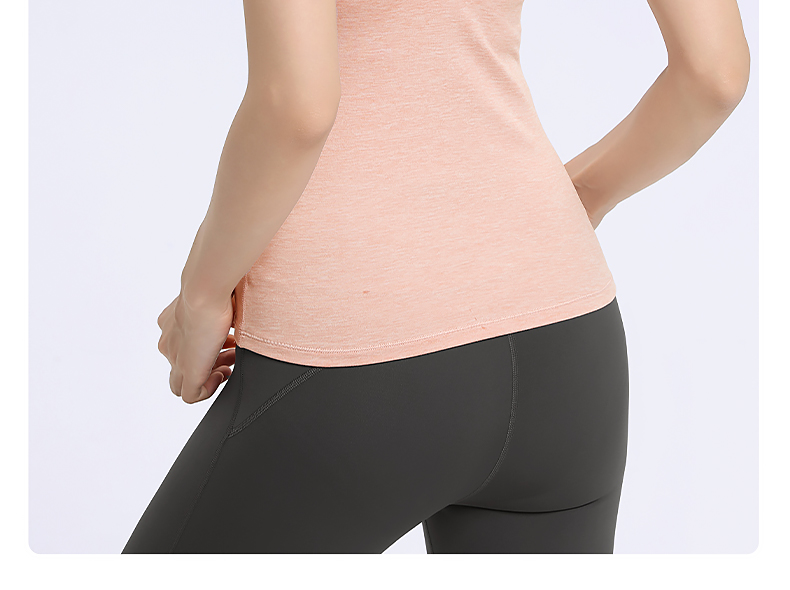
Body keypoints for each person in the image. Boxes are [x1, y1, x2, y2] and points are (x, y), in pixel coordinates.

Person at [123, 0, 749, 554]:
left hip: (359, 357)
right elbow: (715, 74)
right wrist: (581, 196)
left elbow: (297, 107)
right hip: (568, 345)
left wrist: (202, 296)